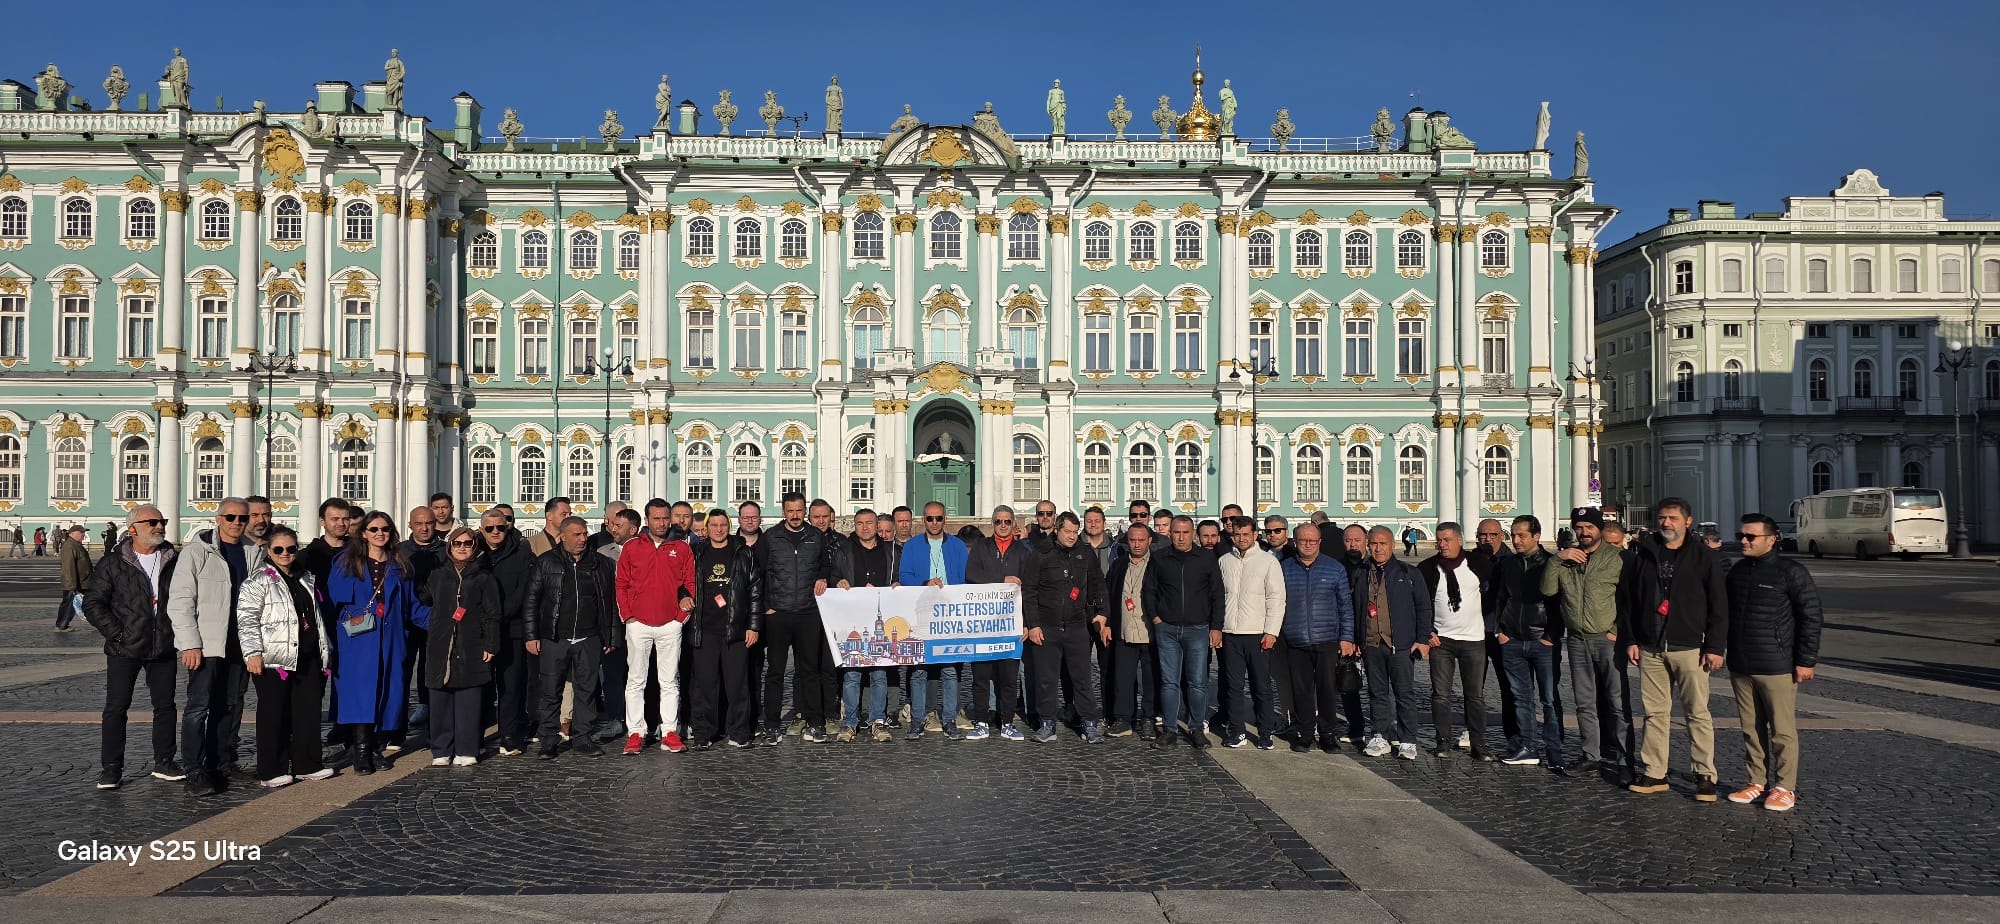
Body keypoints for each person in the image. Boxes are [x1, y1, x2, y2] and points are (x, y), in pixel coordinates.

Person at [1622, 497, 1729, 801]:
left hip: (1691, 646)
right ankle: (1655, 772)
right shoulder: (1645, 553)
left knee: (1697, 713)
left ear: (1687, 522)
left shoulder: (1703, 556)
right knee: (1655, 713)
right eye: (1662, 518)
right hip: (1651, 645)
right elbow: (1631, 600)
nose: (1666, 523)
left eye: (1672, 518)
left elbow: (1719, 604)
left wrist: (1715, 646)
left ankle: (1705, 774)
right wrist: (1631, 638)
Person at [1724, 513, 1823, 812]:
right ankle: (1757, 781)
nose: (1743, 540)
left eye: (1750, 536)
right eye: (1741, 535)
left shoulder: (1791, 572)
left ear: (1771, 539)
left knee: (1782, 730)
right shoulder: (1738, 571)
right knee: (1751, 728)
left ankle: (1785, 787)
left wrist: (1805, 661)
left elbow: (1811, 617)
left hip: (1777, 663)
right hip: (1742, 663)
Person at [168, 498, 264, 795]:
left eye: (242, 518)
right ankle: (194, 770)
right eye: (232, 517)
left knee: (229, 706)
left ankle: (220, 764)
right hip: (206, 645)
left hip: (238, 643)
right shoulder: (197, 552)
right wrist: (189, 644)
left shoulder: (253, 551)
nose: (238, 522)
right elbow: (181, 601)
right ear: (218, 519)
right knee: (198, 708)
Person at [83, 506, 182, 790]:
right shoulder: (113, 563)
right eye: (152, 522)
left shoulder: (174, 558)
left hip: (163, 643)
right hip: (125, 647)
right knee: (116, 708)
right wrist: (117, 633)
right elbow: (93, 603)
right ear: (133, 529)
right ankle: (111, 768)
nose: (160, 526)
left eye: (162, 521)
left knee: (165, 707)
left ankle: (165, 761)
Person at [322, 511, 426, 774]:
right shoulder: (346, 563)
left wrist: (444, 621)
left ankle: (377, 748)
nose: (380, 534)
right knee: (360, 695)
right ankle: (360, 751)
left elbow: (413, 607)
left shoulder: (400, 566)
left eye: (385, 529)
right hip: (356, 639)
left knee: (388, 693)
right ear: (364, 533)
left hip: (391, 637)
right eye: (374, 529)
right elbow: (332, 605)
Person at [235, 525, 331, 787]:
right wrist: (252, 653)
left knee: (308, 711)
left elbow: (316, 616)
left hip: (308, 653)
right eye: (279, 549)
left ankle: (307, 764)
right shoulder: (258, 581)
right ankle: (271, 770)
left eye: (291, 548)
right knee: (274, 713)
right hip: (274, 656)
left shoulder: (306, 577)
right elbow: (247, 620)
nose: (286, 553)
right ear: (268, 550)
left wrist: (325, 649)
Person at [1541, 507, 1632, 782]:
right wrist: (1558, 559)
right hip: (1577, 640)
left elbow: (1629, 600)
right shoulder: (1566, 560)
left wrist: (1618, 631)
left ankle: (1624, 759)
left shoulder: (1617, 558)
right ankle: (1590, 755)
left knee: (1617, 702)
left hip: (1607, 640)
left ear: (1599, 529)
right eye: (1579, 527)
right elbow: (1547, 590)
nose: (1584, 532)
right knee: (1584, 703)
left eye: (1588, 527)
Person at [523, 516, 619, 759]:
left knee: (586, 690)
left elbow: (609, 603)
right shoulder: (546, 562)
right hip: (554, 638)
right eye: (576, 534)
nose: (583, 539)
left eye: (585, 533)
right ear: (562, 536)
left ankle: (583, 738)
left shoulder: (601, 564)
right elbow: (532, 601)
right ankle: (548, 739)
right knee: (550, 691)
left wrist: (610, 636)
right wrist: (532, 635)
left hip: (589, 638)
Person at [618, 499, 696, 754]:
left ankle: (670, 731)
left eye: (665, 518)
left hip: (670, 624)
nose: (662, 523)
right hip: (638, 623)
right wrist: (628, 616)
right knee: (636, 680)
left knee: (669, 680)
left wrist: (679, 619)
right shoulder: (631, 548)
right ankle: (636, 732)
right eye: (657, 518)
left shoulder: (681, 548)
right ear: (647, 519)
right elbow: (621, 584)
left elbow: (689, 582)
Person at [1024, 512, 1109, 743]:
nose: (1072, 536)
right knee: (1046, 679)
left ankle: (1089, 723)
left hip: (1076, 626)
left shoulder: (1085, 553)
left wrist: (1101, 613)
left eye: (1075, 532)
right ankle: (1047, 724)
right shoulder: (1040, 554)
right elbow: (1029, 592)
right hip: (1047, 627)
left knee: (1082, 678)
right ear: (1057, 530)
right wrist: (1033, 625)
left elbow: (1097, 585)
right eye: (1067, 532)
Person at [757, 493, 834, 744]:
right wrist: (766, 605)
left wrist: (823, 577)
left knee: (809, 670)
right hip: (778, 613)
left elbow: (825, 566)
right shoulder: (770, 538)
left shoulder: (815, 537)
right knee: (775, 672)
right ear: (784, 512)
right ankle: (771, 724)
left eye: (799, 511)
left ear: (805, 511)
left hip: (807, 612)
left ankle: (815, 722)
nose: (795, 515)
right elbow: (759, 573)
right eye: (790, 511)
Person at [1143, 514, 1224, 749]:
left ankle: (1196, 728)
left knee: (1197, 682)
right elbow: (1149, 590)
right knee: (1169, 682)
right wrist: (1156, 618)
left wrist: (1216, 627)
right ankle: (1169, 730)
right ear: (1170, 533)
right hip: (1166, 628)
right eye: (1176, 532)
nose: (1180, 537)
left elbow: (1217, 595)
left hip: (1198, 628)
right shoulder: (1159, 558)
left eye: (1185, 532)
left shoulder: (1206, 559)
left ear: (1193, 534)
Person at [1419, 522, 1496, 761]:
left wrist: (1491, 623)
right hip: (1441, 641)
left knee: (1475, 696)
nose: (1442, 544)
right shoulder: (1428, 567)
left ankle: (1478, 743)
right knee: (1440, 694)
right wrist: (1426, 630)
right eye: (1439, 540)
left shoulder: (1479, 564)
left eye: (1447, 540)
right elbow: (1421, 603)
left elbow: (1495, 595)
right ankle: (1443, 742)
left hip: (1473, 640)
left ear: (1460, 541)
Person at [424, 526, 501, 767]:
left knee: (469, 699)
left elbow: (493, 613)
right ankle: (441, 748)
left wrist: (490, 643)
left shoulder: (484, 577)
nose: (462, 548)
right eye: (457, 544)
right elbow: (424, 601)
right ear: (449, 547)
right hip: (441, 643)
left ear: (474, 547)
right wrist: (434, 624)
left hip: (471, 643)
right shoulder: (437, 575)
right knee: (440, 698)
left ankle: (467, 748)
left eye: (467, 544)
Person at [1355, 526, 1433, 760]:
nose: (1377, 549)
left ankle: (1408, 739)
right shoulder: (1360, 574)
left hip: (1400, 644)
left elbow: (1423, 606)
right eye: (1373, 544)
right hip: (1371, 642)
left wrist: (1422, 639)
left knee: (1404, 693)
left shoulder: (1408, 573)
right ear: (1368, 546)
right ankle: (1380, 734)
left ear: (1392, 545)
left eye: (1382, 544)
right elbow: (1354, 608)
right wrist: (1355, 638)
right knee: (1377, 692)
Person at [1280, 523, 1357, 754]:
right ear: (1295, 542)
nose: (1308, 544)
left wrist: (1346, 637)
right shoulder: (1283, 568)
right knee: (1301, 691)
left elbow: (1346, 607)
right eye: (1303, 540)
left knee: (1326, 689)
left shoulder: (1334, 568)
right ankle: (1305, 733)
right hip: (1295, 640)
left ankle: (1327, 734)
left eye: (1312, 540)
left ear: (1320, 542)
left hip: (1327, 639)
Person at [1494, 515, 1562, 768]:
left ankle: (1554, 748)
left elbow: (1558, 604)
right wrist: (1499, 631)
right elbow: (1501, 597)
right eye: (1513, 534)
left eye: (1522, 535)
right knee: (1521, 698)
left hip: (1541, 640)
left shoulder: (1550, 563)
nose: (1516, 540)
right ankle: (1528, 747)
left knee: (1549, 698)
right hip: (1512, 640)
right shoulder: (1509, 564)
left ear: (1536, 535)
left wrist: (1550, 636)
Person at [963, 505, 1036, 741]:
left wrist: (1027, 622)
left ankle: (1007, 722)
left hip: (1011, 624)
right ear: (992, 524)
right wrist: (1001, 580)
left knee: (1008, 676)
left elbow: (1030, 588)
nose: (1002, 526)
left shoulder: (1023, 551)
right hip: (983, 623)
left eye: (1006, 522)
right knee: (981, 676)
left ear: (1013, 524)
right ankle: (982, 721)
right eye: (998, 522)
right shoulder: (981, 547)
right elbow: (972, 575)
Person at [897, 501, 968, 740]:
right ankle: (918, 719)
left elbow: (966, 578)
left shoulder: (957, 546)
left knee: (949, 670)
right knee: (918, 670)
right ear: (923, 520)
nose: (934, 523)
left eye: (938, 518)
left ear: (945, 520)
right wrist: (924, 583)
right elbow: (904, 575)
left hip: (949, 615)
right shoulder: (912, 546)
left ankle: (949, 719)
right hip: (922, 613)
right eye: (930, 519)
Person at [693, 510, 762, 749]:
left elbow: (755, 591)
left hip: (735, 629)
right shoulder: (697, 552)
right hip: (705, 628)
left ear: (729, 526)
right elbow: (685, 584)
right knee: (705, 685)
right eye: (714, 525)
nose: (719, 529)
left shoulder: (743, 552)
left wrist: (753, 626)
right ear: (706, 527)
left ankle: (739, 732)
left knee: (737, 685)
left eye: (723, 525)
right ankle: (705, 732)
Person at [833, 508, 901, 742]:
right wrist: (837, 581)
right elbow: (833, 574)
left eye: (869, 523)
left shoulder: (891, 551)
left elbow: (901, 576)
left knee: (879, 674)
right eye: (860, 523)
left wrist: (897, 584)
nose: (865, 527)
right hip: (853, 617)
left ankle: (878, 721)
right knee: (852, 674)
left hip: (879, 620)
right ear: (855, 525)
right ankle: (850, 721)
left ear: (876, 525)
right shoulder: (844, 550)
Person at [1217, 516, 1286, 750]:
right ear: (1231, 536)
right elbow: (1219, 597)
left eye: (1246, 534)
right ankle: (1236, 731)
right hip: (1231, 633)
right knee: (1233, 687)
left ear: (1255, 535)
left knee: (1261, 686)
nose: (1242, 538)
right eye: (1237, 535)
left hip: (1258, 633)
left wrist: (1271, 632)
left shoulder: (1268, 562)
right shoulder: (1224, 561)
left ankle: (1265, 732)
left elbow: (1276, 598)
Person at [478, 507, 537, 756]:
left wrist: (499, 614)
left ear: (508, 527)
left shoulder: (522, 552)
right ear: (482, 529)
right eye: (489, 528)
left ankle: (509, 736)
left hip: (512, 629)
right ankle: (475, 735)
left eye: (500, 527)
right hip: (479, 631)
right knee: (479, 686)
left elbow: (525, 590)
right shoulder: (473, 551)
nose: (495, 532)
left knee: (511, 686)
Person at [1103, 522, 1156, 739]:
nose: (1136, 544)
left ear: (1149, 541)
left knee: (1152, 679)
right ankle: (1123, 719)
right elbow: (1108, 594)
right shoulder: (1119, 564)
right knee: (1122, 678)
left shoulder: (1158, 564)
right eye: (1132, 540)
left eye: (1141, 540)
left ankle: (1149, 719)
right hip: (1123, 629)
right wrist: (1106, 622)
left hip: (1150, 632)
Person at [1470, 517, 1519, 749]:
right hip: (1474, 633)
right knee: (1473, 687)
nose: (1487, 539)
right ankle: (1473, 731)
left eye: (1493, 535)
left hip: (1502, 633)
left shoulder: (1511, 562)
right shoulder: (1468, 561)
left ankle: (1513, 733)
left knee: (1508, 687)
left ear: (1502, 536)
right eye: (1482, 535)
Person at [303, 498, 354, 588]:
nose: (341, 523)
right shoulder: (308, 555)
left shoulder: (359, 551)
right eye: (335, 519)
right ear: (322, 521)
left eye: (345, 519)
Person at [57, 523, 93, 631]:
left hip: (82, 581)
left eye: (84, 532)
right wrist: (72, 586)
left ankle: (97, 621)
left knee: (89, 603)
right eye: (81, 532)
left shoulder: (75, 545)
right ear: (73, 534)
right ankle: (62, 625)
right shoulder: (70, 546)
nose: (84, 534)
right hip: (74, 583)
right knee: (69, 605)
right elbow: (68, 567)